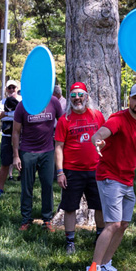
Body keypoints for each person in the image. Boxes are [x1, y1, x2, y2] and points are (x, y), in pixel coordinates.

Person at [85, 83, 136, 271]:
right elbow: (100, 134)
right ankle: (93, 268)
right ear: (130, 100)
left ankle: (107, 264)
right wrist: (98, 140)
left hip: (127, 180)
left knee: (123, 224)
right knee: (113, 224)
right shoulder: (118, 119)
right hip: (109, 176)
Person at [55, 82, 105, 254]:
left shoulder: (97, 116)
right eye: (74, 95)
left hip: (96, 170)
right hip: (72, 171)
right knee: (70, 207)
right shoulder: (64, 120)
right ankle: (70, 242)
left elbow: (106, 139)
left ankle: (100, 237)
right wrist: (60, 172)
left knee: (99, 206)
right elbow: (59, 147)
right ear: (70, 99)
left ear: (87, 97)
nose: (77, 98)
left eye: (80, 95)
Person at [13, 94, 63, 231]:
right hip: (27, 152)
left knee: (47, 186)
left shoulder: (53, 101)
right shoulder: (23, 105)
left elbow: (63, 121)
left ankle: (47, 219)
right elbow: (16, 132)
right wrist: (16, 156)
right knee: (26, 187)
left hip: (47, 151)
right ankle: (26, 219)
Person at [0, 80, 21, 197]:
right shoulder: (3, 101)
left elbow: (23, 116)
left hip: (22, 136)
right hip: (7, 135)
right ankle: (0, 188)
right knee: (5, 163)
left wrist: (7, 114)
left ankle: (25, 190)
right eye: (9, 88)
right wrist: (11, 114)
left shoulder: (22, 100)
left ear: (17, 88)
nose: (11, 90)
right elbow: (0, 116)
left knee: (25, 164)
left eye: (13, 87)